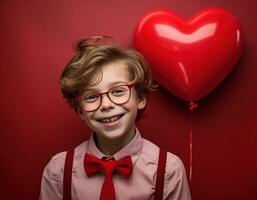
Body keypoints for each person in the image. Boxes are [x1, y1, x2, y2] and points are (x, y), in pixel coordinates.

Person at [39, 36, 191, 200]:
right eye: (91, 97)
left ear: (140, 98)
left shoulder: (169, 170)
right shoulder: (58, 171)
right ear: (80, 110)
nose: (106, 105)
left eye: (118, 91)